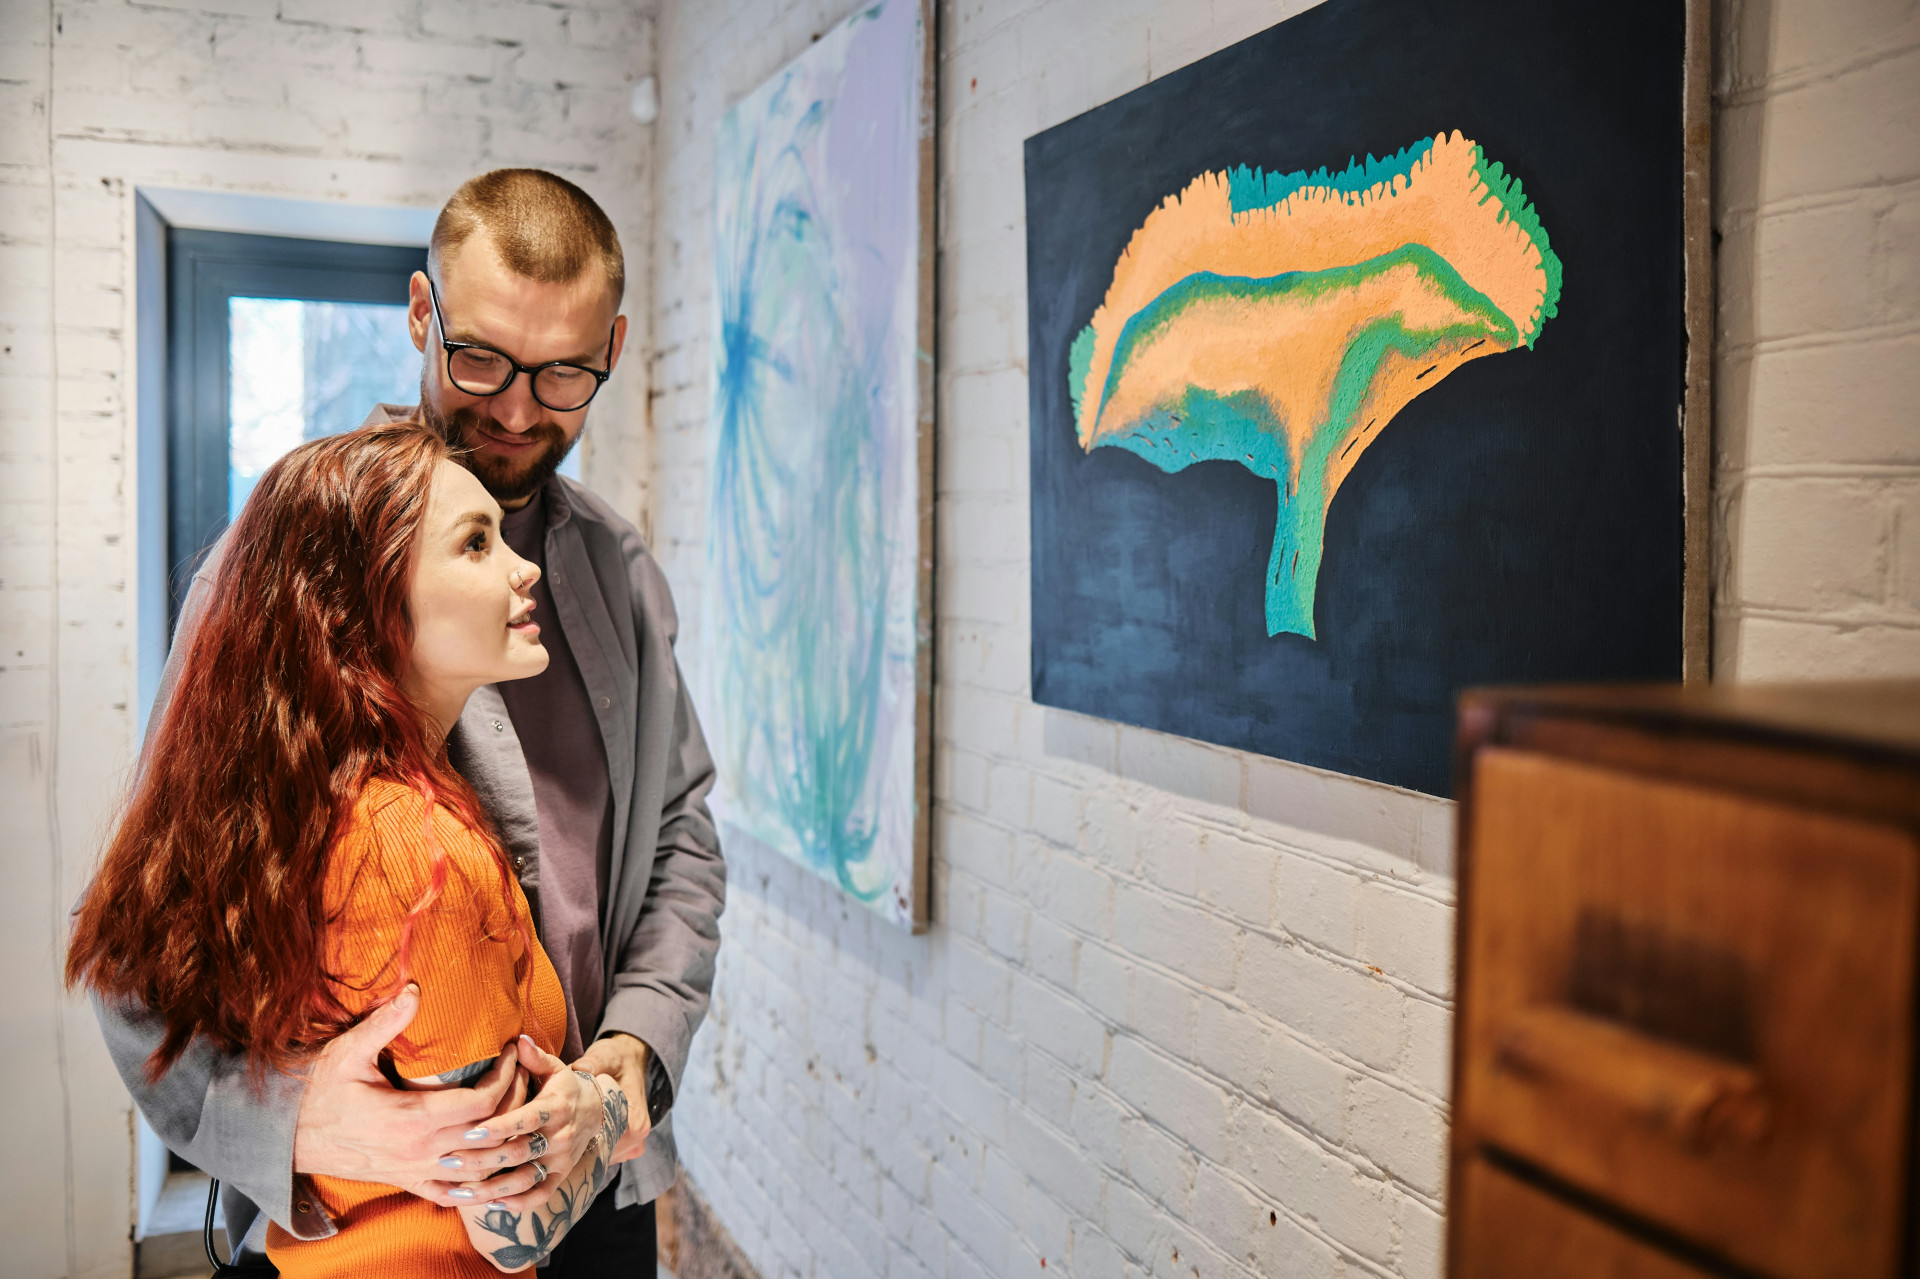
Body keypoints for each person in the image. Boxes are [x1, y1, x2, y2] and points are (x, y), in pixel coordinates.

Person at [94, 169, 725, 1276]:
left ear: (615, 349)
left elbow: (679, 838)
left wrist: (631, 1055)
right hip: (379, 1210)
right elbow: (148, 946)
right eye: (482, 358)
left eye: (564, 372)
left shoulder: (619, 569)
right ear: (423, 314)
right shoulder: (283, 573)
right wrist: (292, 1122)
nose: (518, 410)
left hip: (600, 1182)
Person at [70, 423, 633, 1274]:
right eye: (476, 544)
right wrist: (614, 1104)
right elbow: (506, 1214)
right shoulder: (419, 854)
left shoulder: (325, 812)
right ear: (368, 607)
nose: (523, 569)